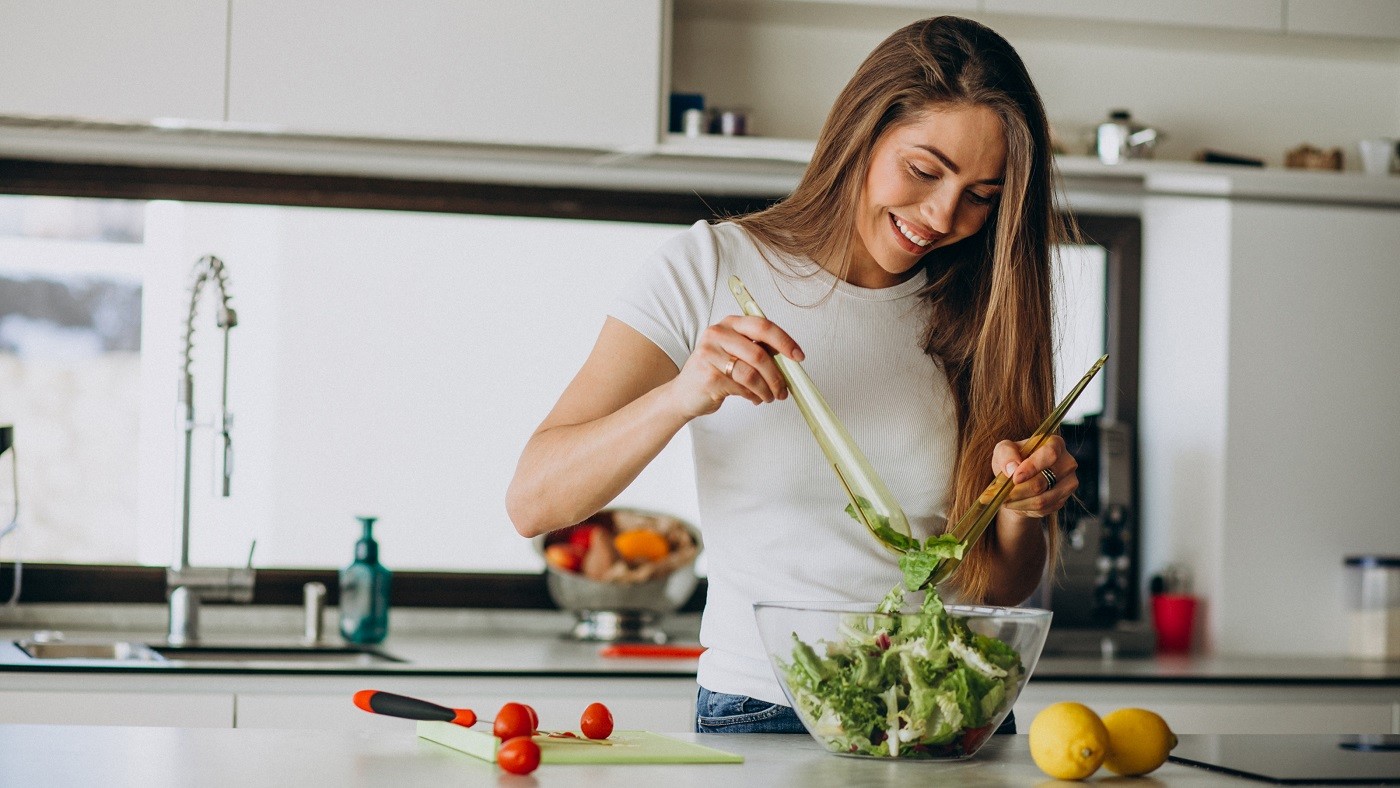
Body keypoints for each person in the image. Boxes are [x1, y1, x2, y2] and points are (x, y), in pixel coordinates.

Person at [507, 15, 1079, 735]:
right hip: (767, 706)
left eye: (982, 195)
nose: (942, 215)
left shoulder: (986, 310)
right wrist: (682, 394)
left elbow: (996, 582)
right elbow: (534, 500)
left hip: (951, 711)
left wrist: (1026, 509)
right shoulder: (710, 269)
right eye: (924, 171)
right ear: (861, 135)